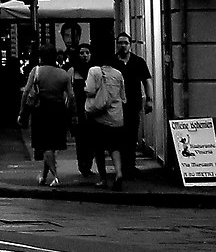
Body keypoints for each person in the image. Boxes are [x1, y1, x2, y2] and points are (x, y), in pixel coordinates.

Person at [22, 47, 76, 187]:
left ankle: (56, 176)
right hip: (58, 111)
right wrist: (72, 112)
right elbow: (71, 96)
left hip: (41, 111)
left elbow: (26, 92)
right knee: (52, 145)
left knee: (45, 145)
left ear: (41, 57)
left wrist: (22, 112)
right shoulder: (63, 74)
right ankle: (44, 176)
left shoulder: (36, 71)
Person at [81, 46, 127, 188]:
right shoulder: (118, 74)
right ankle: (119, 173)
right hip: (116, 117)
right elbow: (123, 97)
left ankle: (103, 179)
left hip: (100, 118)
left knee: (99, 149)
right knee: (115, 147)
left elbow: (89, 91)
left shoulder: (94, 71)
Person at [116, 35, 153, 178]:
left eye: (125, 43)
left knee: (131, 135)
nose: (123, 45)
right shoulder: (113, 62)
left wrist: (149, 99)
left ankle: (130, 165)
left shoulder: (138, 62)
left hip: (133, 104)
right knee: (120, 136)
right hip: (116, 105)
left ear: (130, 44)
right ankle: (121, 167)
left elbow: (147, 80)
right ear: (117, 44)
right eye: (120, 43)